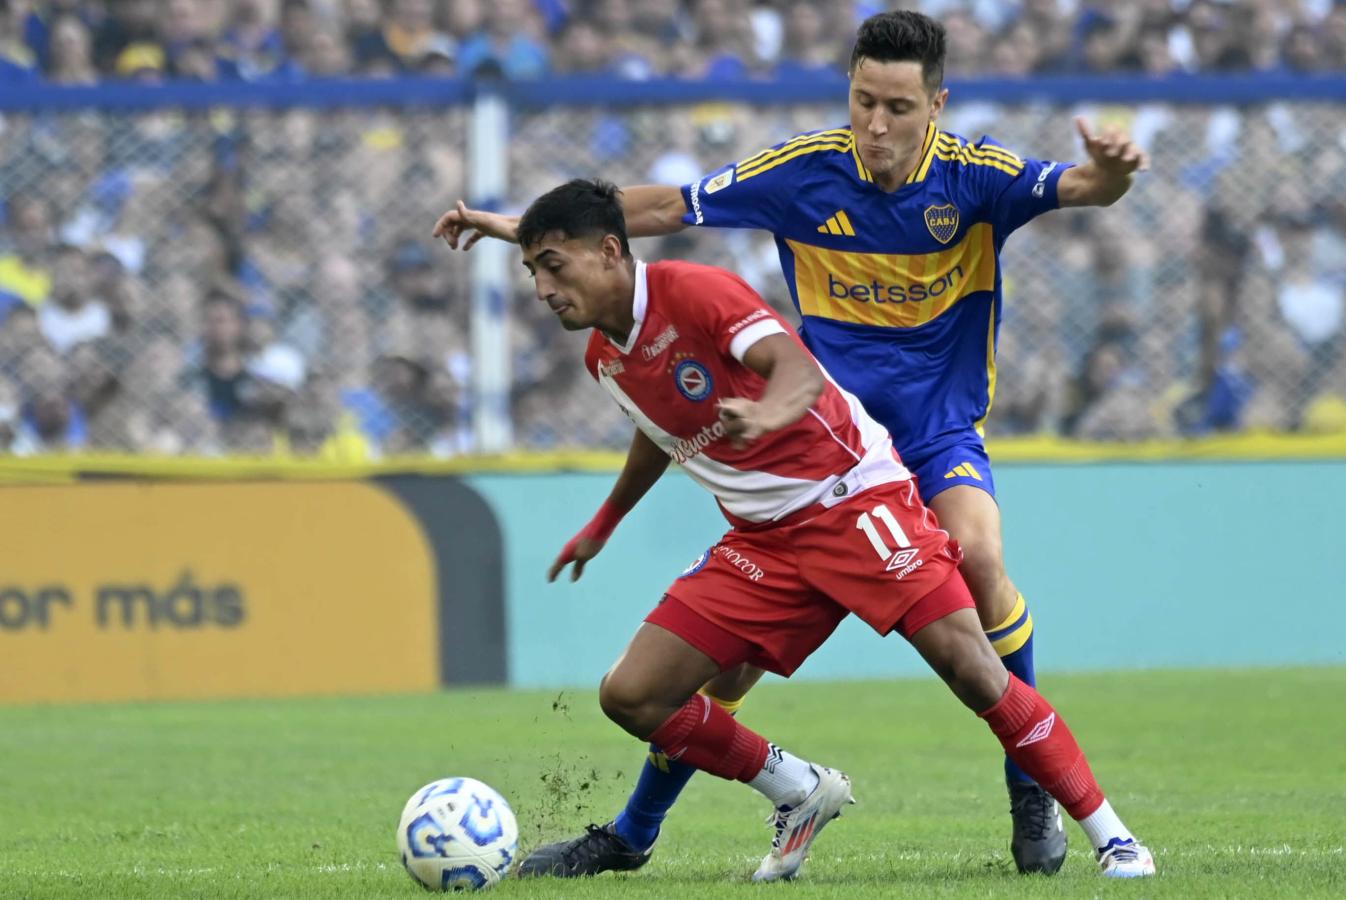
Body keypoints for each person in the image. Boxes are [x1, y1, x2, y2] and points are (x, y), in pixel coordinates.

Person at [433, 10, 1149, 877]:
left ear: (935, 106)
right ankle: (634, 831)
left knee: (982, 563)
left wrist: (1112, 174)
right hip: (806, 447)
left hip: (924, 436)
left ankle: (1031, 789)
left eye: (897, 107)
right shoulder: (804, 171)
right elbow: (662, 207)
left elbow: (1082, 185)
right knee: (719, 680)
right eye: (862, 102)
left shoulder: (975, 177)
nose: (875, 125)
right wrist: (528, 230)